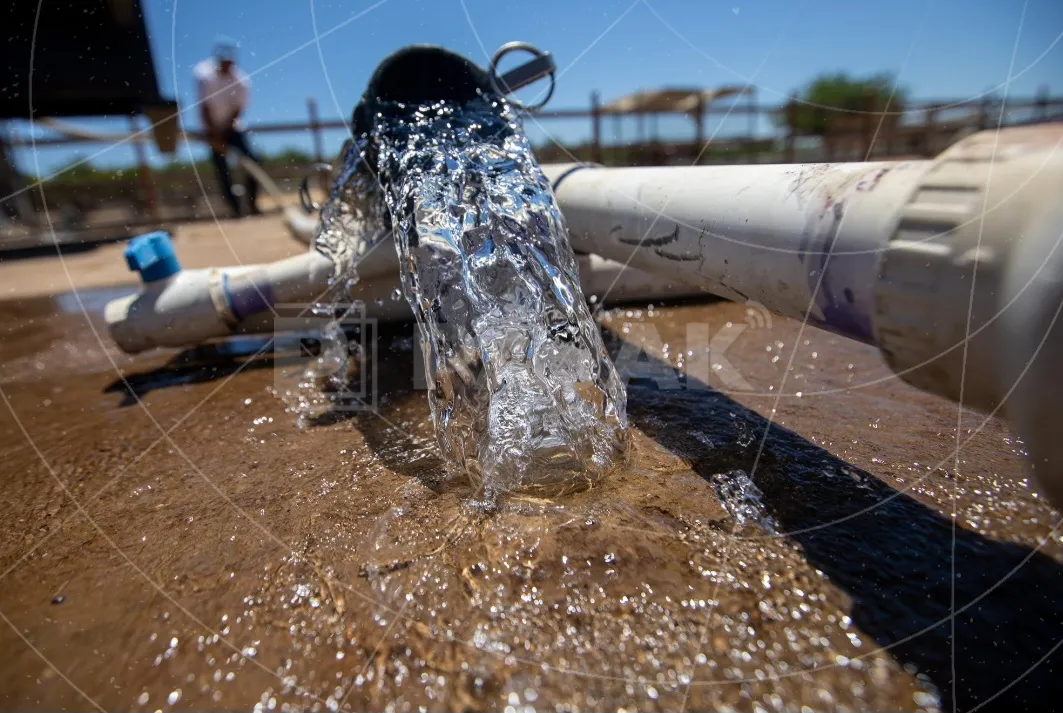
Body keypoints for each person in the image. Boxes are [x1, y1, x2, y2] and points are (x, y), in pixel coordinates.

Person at [194, 37, 260, 217]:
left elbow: (238, 109)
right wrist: (215, 135)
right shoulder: (205, 75)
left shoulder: (241, 81)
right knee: (222, 170)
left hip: (233, 128)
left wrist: (226, 130)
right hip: (212, 129)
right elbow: (204, 107)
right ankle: (235, 210)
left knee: (253, 161)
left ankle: (253, 205)